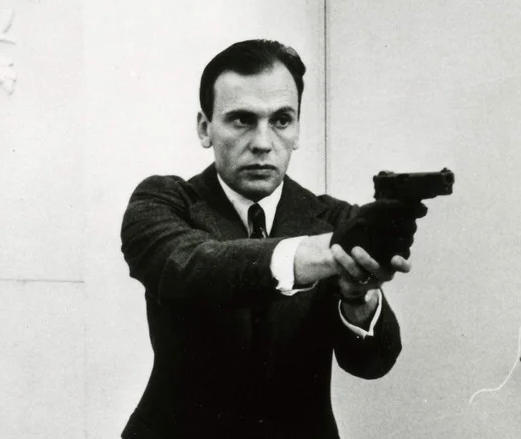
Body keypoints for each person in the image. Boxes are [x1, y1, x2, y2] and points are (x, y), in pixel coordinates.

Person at [120, 39, 426, 439]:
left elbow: (373, 363)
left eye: (281, 120)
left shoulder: (333, 219)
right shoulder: (163, 201)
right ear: (204, 128)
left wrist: (358, 299)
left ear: (297, 130)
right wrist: (325, 252)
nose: (263, 143)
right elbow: (194, 266)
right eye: (242, 120)